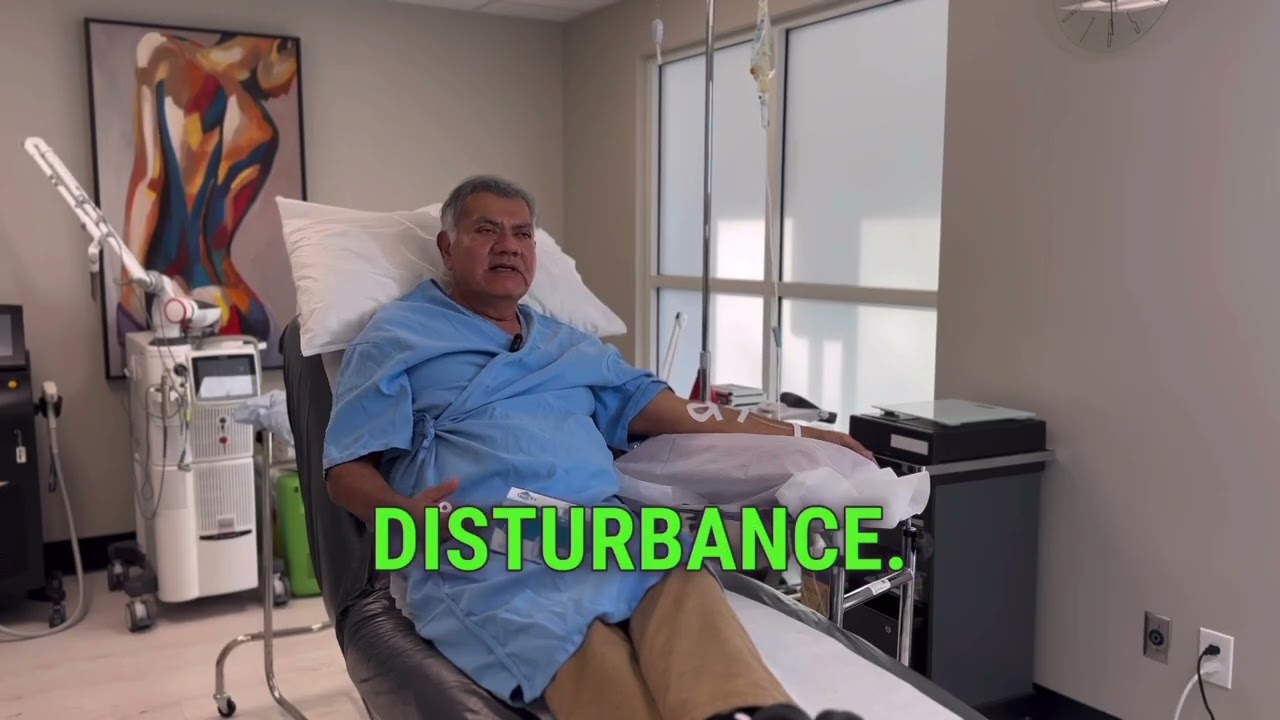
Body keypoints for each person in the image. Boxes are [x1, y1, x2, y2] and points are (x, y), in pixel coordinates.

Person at [323, 176, 875, 720]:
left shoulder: (568, 346)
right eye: (486, 230)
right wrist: (400, 515)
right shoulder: (398, 337)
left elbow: (684, 414)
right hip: (481, 544)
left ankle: (758, 713)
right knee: (577, 636)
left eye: (522, 233)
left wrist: (805, 434)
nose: (508, 245)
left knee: (680, 572)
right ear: (447, 247)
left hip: (602, 530)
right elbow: (347, 467)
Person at [120, 31, 299, 345]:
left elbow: (149, 182)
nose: (286, 90)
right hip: (220, 304)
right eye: (292, 74)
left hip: (170, 299)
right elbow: (216, 250)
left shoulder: (161, 53)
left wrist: (129, 292)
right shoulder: (262, 132)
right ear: (279, 48)